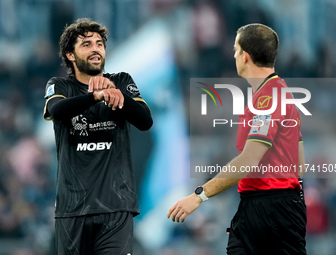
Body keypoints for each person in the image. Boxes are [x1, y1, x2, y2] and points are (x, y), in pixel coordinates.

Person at [167, 23, 307, 255]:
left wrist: (199, 196)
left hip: (272, 210)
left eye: (235, 50)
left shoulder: (268, 99)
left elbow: (248, 160)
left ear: (245, 56)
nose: (233, 55)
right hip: (261, 206)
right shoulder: (277, 94)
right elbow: (299, 164)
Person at [43, 18, 153, 255]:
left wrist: (115, 93)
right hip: (72, 210)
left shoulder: (122, 81)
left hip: (116, 208)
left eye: (99, 43)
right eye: (86, 44)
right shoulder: (60, 86)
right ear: (70, 55)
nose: (96, 48)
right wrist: (96, 96)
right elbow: (57, 111)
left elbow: (145, 121)